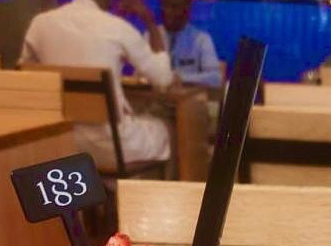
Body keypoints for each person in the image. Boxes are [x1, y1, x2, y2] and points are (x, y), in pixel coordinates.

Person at [20, 0, 175, 171]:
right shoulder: (117, 28)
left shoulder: (40, 24)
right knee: (168, 128)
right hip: (111, 147)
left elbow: (25, 76)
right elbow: (163, 79)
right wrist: (150, 22)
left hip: (61, 142)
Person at [160, 0, 222, 87]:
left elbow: (215, 78)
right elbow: (141, 76)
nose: (168, 11)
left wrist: (182, 78)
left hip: (190, 95)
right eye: (165, 5)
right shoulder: (150, 37)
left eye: (174, 7)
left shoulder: (201, 40)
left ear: (187, 8)